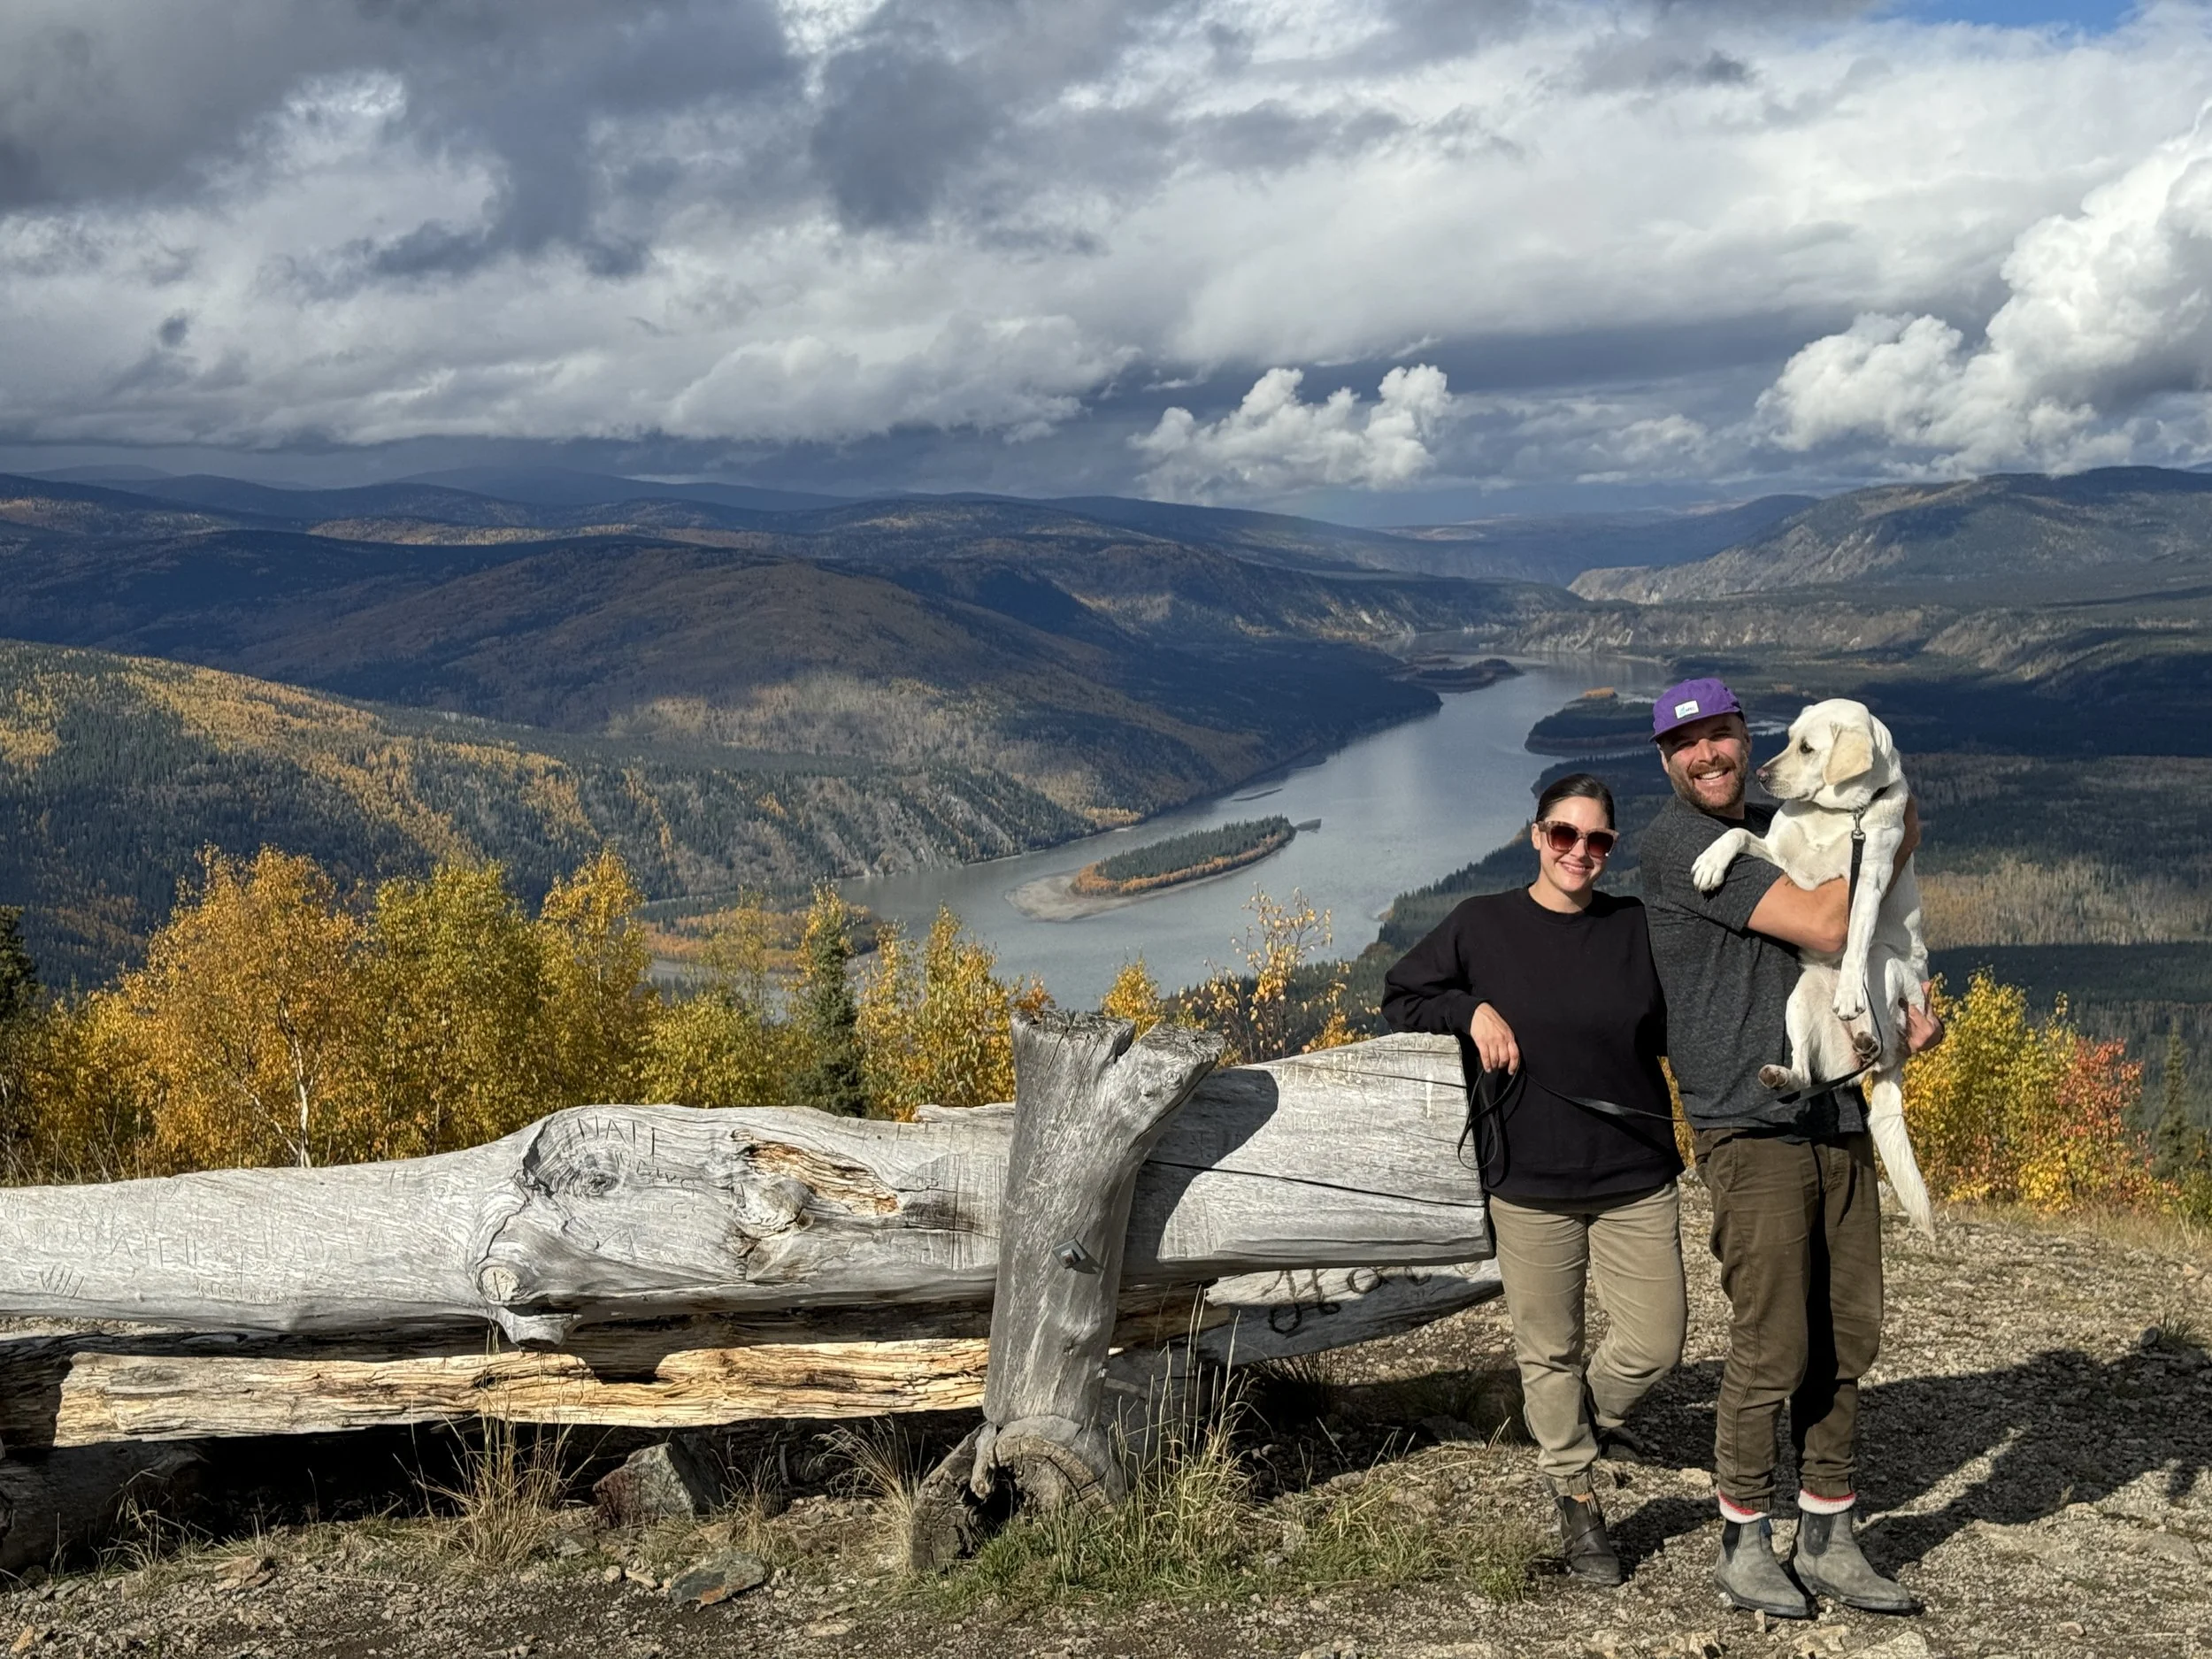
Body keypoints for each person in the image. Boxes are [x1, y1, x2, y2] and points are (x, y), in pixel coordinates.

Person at [1637, 677, 1942, 1620]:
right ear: (1666, 761)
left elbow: (1903, 824)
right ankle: (1743, 1540)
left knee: (1848, 1335)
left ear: (1742, 737)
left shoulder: (1783, 812)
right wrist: (1884, 834)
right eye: (1689, 746)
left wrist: (1907, 1004)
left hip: (1835, 1108)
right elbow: (1821, 920)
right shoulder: (1676, 841)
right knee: (1772, 1344)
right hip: (1746, 1120)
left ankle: (1831, 1530)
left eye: (1724, 735)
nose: (1711, 756)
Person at [1383, 772, 1685, 1587]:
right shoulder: (1484, 925)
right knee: (1547, 1349)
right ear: (1535, 835)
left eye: (1597, 841)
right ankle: (1577, 1497)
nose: (1579, 852)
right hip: (1530, 1177)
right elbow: (1403, 991)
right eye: (1563, 834)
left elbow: (1678, 1028)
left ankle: (1580, 1424)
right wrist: (1470, 1012)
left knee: (1657, 1341)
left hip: (1634, 1169)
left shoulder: (1636, 928)